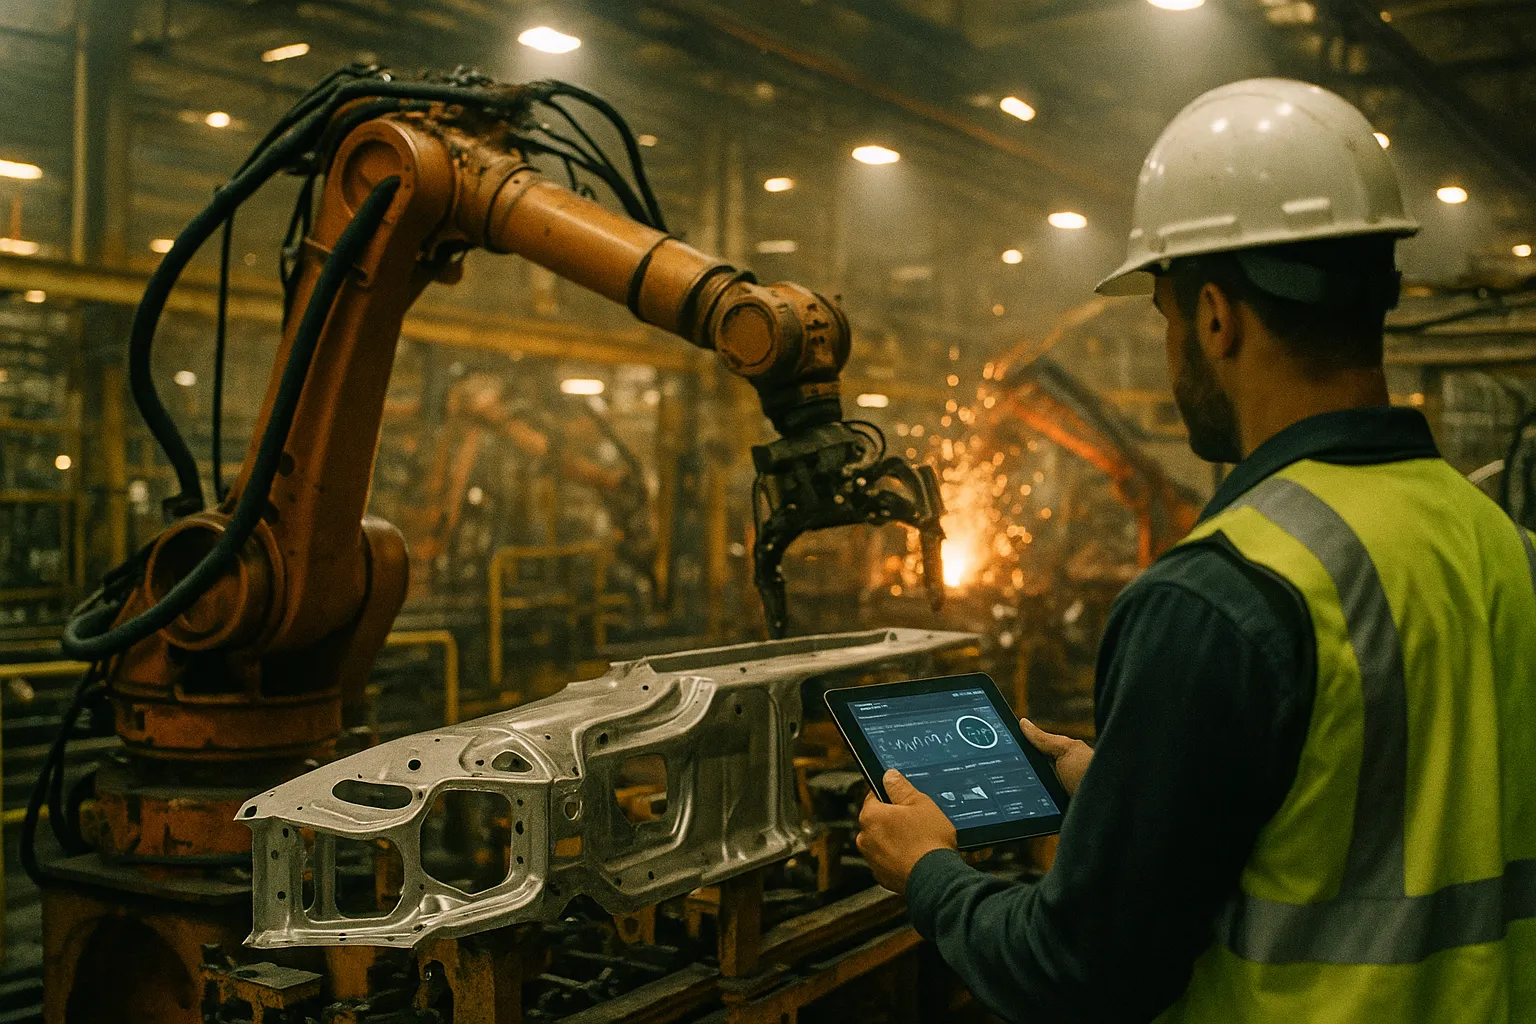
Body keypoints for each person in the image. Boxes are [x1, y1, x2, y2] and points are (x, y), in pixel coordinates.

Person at [856, 78, 1536, 1023]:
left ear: (1215, 316)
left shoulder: (1220, 596)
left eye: (1167, 320)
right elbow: (1388, 800)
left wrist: (928, 873)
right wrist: (1133, 789)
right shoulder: (1498, 540)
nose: (1175, 347)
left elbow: (1076, 972)